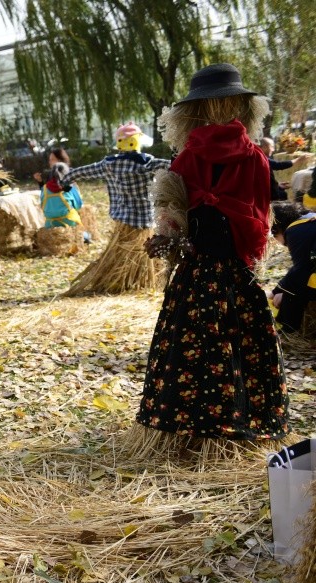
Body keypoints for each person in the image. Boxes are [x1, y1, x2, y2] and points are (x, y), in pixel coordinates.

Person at [134, 63, 288, 450]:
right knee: (238, 344)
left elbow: (173, 223)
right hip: (235, 272)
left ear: (193, 112)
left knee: (190, 348)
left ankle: (185, 434)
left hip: (197, 274)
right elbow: (259, 221)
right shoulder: (253, 158)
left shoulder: (187, 158)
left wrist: (175, 244)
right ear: (242, 107)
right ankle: (239, 429)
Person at [60, 122, 172, 295]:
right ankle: (143, 279)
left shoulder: (109, 164)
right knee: (145, 251)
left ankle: (119, 280)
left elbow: (83, 172)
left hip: (123, 221)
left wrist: (65, 181)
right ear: (138, 141)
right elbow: (172, 165)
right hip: (144, 220)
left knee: (124, 251)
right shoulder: (146, 163)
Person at [269, 200, 316, 334]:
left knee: (293, 288)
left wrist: (277, 291)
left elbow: (301, 270)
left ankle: (287, 330)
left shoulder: (295, 230)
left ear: (276, 227)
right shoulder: (310, 221)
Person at [260, 137, 310, 201]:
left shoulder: (261, 157)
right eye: (271, 147)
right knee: (284, 195)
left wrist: (278, 186)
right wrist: (298, 159)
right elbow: (278, 165)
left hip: (267, 190)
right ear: (263, 147)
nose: (273, 150)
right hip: (266, 195)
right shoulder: (260, 158)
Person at [39, 162, 83, 227]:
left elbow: (42, 205)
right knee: (86, 235)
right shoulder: (70, 187)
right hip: (69, 222)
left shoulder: (44, 188)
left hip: (50, 224)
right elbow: (79, 205)